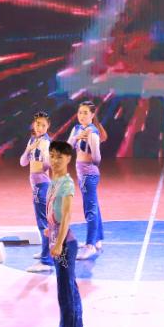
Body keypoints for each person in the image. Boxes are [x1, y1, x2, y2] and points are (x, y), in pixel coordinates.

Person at [41, 141, 84, 327]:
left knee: (64, 293)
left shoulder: (66, 184)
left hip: (65, 245)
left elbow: (67, 216)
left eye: (59, 156)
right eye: (52, 155)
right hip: (58, 239)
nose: (55, 160)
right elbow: (54, 212)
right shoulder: (53, 182)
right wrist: (50, 228)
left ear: (68, 158)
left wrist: (58, 244)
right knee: (70, 286)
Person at [67, 101, 104, 260]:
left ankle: (90, 245)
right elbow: (67, 148)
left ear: (92, 115)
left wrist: (88, 143)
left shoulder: (93, 133)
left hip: (89, 174)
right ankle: (97, 239)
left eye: (85, 113)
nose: (82, 116)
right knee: (93, 205)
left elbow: (97, 158)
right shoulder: (76, 129)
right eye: (80, 112)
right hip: (81, 173)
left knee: (90, 208)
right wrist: (77, 138)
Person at [21, 112, 54, 273]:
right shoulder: (32, 140)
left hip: (42, 186)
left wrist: (43, 155)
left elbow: (48, 165)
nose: (39, 127)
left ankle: (46, 260)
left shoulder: (45, 142)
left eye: (43, 125)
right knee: (41, 222)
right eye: (37, 124)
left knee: (43, 224)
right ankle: (45, 252)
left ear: (48, 126)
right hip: (36, 186)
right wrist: (29, 149)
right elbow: (23, 162)